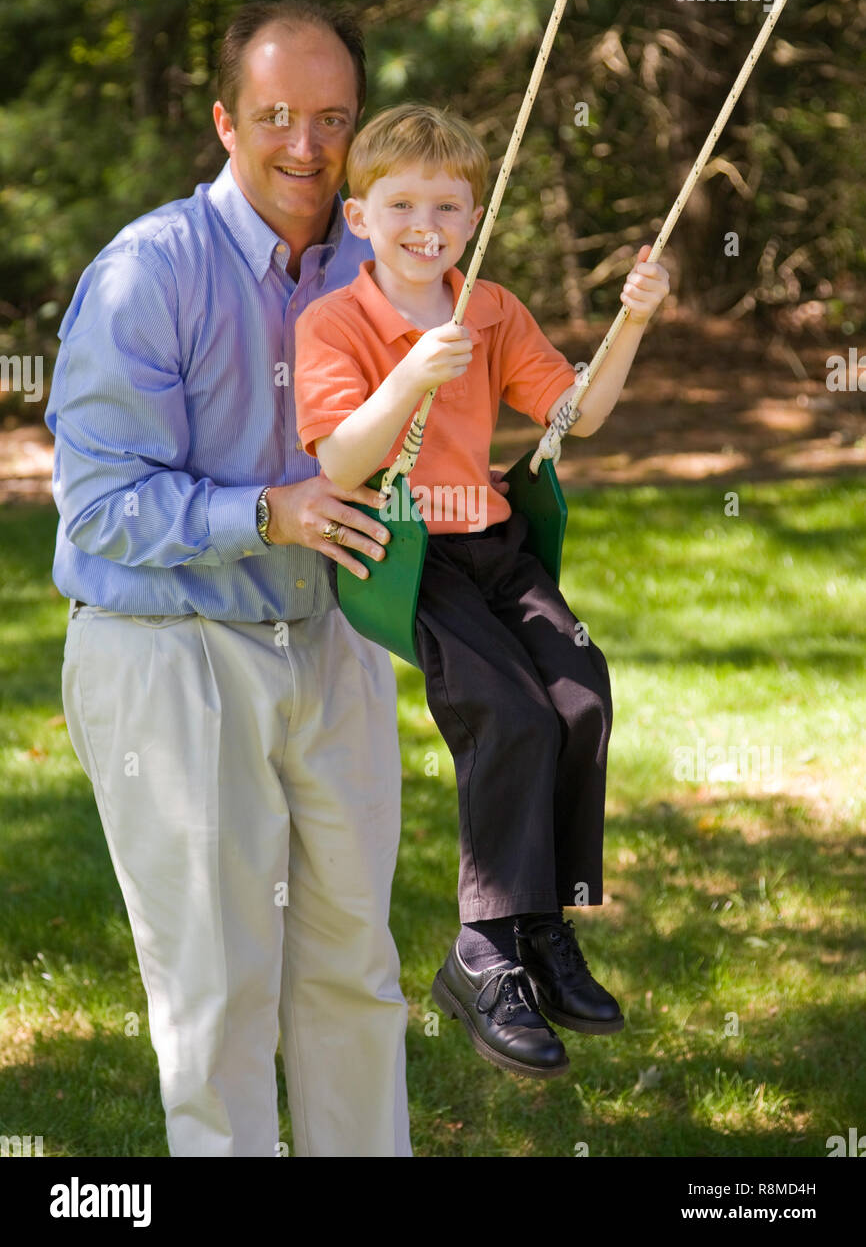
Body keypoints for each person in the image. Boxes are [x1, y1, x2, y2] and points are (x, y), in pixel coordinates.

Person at [44, 0, 414, 1156]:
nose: (306, 146)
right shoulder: (146, 273)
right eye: (276, 118)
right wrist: (268, 510)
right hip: (170, 651)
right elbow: (99, 501)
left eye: (333, 120)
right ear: (225, 121)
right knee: (217, 990)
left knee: (356, 969)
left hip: (333, 639)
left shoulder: (378, 265)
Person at [293, 102, 670, 1079]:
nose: (427, 223)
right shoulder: (332, 321)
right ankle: (484, 949)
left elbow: (575, 412)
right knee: (508, 715)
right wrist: (410, 375)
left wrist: (630, 318)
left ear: (472, 216)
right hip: (402, 550)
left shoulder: (490, 307)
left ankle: (541, 926)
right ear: (361, 216)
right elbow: (339, 455)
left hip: (494, 538)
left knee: (578, 698)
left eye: (449, 206)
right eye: (402, 203)